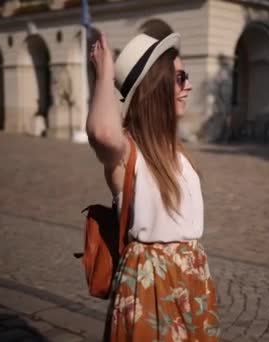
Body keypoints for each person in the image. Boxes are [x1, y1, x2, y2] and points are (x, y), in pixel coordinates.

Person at [87, 31, 220, 341]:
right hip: (151, 285)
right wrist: (105, 74)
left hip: (191, 277)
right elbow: (102, 132)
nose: (188, 86)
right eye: (180, 77)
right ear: (155, 88)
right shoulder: (128, 152)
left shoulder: (174, 149)